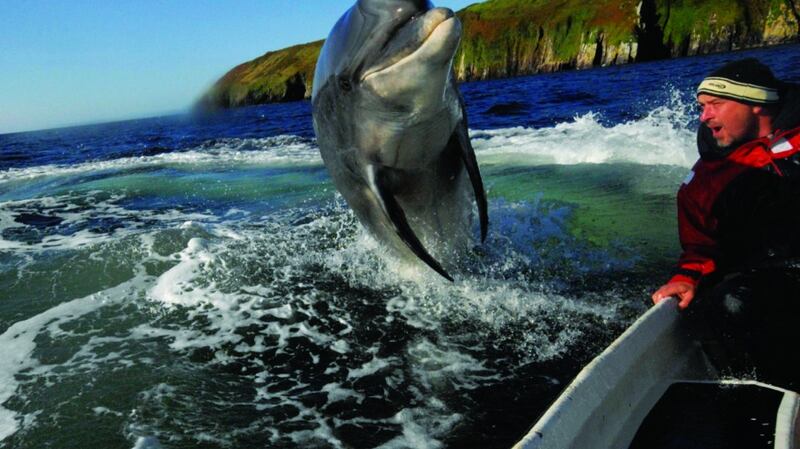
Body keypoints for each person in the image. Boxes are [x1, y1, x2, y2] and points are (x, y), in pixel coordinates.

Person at [651, 58, 800, 388]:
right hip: (769, 280)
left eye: (715, 105)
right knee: (729, 306)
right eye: (702, 107)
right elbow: (700, 247)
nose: (704, 117)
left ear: (757, 104)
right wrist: (686, 278)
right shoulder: (703, 182)